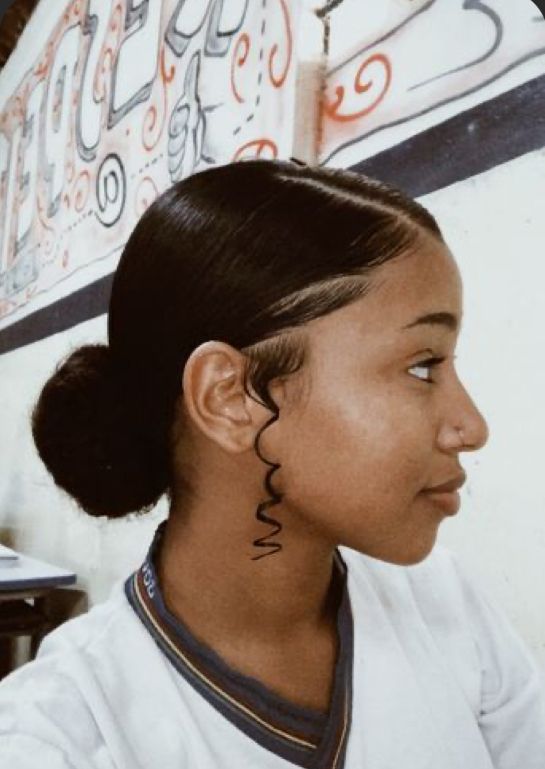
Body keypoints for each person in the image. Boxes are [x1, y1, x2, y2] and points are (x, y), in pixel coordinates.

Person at [0, 160, 543, 769]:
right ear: (231, 398)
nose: (471, 427)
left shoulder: (448, 605)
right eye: (422, 366)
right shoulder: (62, 733)